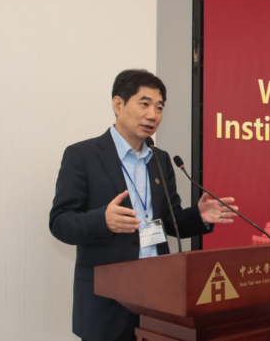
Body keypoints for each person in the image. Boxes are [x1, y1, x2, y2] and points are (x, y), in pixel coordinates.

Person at [49, 69, 238, 341]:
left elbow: (171, 221)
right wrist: (102, 220)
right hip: (107, 302)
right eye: (145, 104)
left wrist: (199, 216)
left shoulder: (160, 160)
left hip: (158, 298)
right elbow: (60, 222)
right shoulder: (83, 155)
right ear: (118, 104)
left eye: (159, 107)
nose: (153, 115)